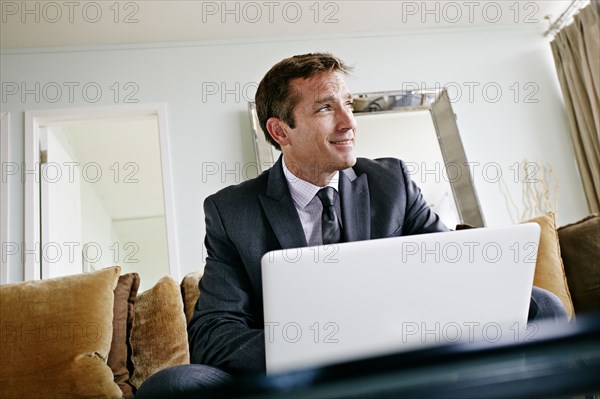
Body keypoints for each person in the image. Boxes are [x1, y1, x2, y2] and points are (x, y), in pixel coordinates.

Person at [136, 53, 567, 397]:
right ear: (280, 130)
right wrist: (319, 352)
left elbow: (448, 268)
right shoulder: (232, 210)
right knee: (173, 386)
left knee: (542, 306)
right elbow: (215, 331)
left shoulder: (391, 182)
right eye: (325, 108)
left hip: (396, 362)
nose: (348, 122)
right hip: (294, 378)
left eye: (348, 103)